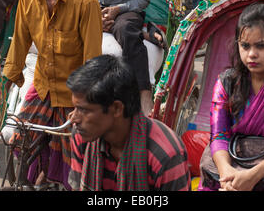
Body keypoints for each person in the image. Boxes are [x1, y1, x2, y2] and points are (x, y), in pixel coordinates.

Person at [2, 0, 102, 190]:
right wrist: (5, 85)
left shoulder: (84, 0)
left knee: (77, 154)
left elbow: (92, 58)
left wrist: (84, 104)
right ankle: (35, 177)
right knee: (19, 139)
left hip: (74, 93)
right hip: (43, 84)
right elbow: (20, 43)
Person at [67, 55, 191, 191]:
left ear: (116, 108)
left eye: (83, 110)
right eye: (75, 108)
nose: (73, 118)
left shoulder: (165, 155)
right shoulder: (82, 137)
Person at [200, 3, 264, 191]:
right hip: (232, 166)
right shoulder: (227, 83)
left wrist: (253, 176)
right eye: (245, 46)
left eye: (261, 46)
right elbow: (219, 135)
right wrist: (226, 173)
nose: (252, 54)